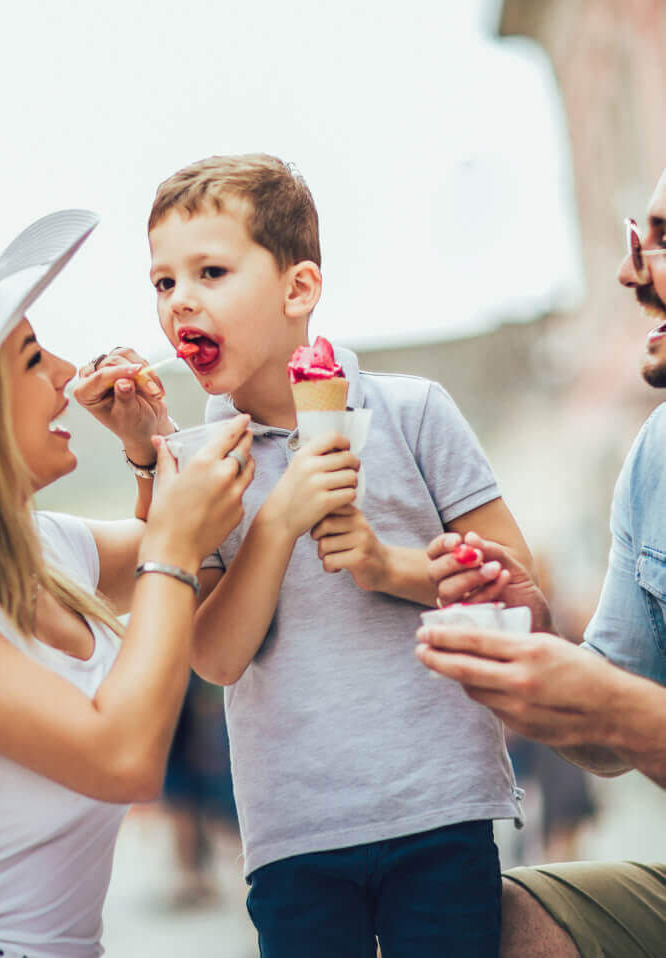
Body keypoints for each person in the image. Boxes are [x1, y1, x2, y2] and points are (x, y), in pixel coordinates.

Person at [111, 152, 538, 957]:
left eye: (210, 270)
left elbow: (521, 597)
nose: (180, 301)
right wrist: (275, 521)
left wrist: (389, 567)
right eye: (164, 282)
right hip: (293, 831)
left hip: (440, 807)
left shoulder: (416, 413)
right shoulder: (197, 464)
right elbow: (216, 657)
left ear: (299, 289)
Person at [0, 209, 254, 957]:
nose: (65, 373)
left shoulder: (45, 548)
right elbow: (123, 758)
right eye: (31, 359)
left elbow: (206, 549)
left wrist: (149, 445)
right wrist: (176, 544)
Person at [416, 168, 666, 957]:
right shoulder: (654, 455)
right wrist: (544, 644)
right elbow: (605, 746)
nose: (630, 271)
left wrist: (618, 708)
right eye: (636, 237)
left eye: (660, 240)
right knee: (447, 924)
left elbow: (624, 717)